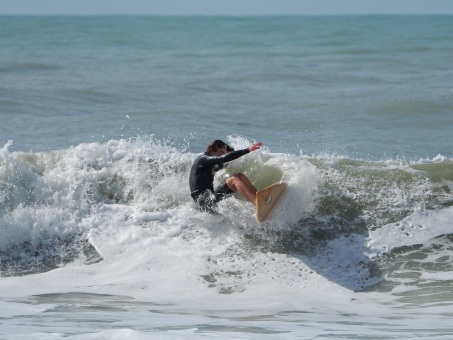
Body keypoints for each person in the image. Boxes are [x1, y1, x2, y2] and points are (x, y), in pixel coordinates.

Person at [189, 139, 262, 212]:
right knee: (235, 179)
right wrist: (248, 149)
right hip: (205, 204)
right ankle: (257, 203)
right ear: (211, 149)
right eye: (221, 152)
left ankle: (259, 198)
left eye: (224, 153)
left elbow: (224, 162)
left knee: (240, 175)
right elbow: (225, 158)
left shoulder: (210, 165)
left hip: (209, 201)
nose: (222, 155)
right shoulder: (202, 159)